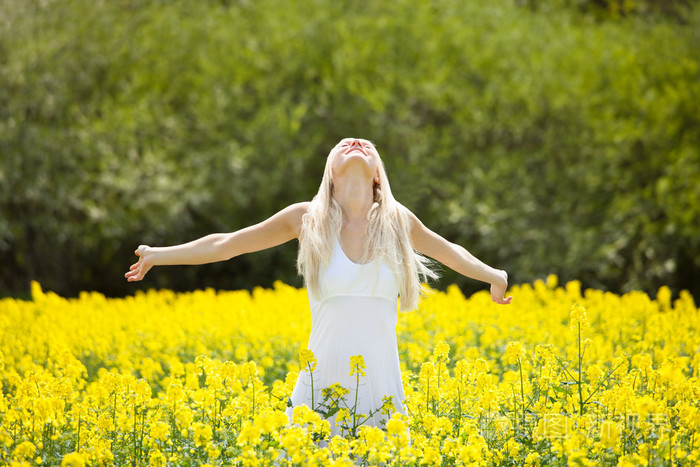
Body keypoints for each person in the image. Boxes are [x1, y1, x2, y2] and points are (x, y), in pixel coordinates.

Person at [125, 137, 512, 436]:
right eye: (344, 145)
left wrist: (495, 276)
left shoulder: (397, 220)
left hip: (382, 391)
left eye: (365, 145)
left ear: (378, 172)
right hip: (319, 386)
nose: (356, 144)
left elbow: (452, 252)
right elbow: (226, 245)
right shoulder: (306, 218)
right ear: (330, 172)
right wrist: (159, 254)